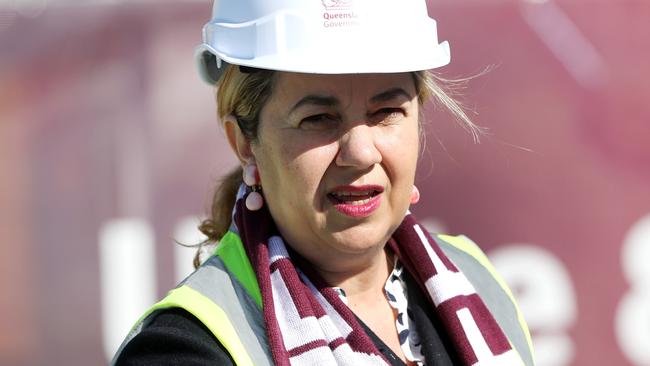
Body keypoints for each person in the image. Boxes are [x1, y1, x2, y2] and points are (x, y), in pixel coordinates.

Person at [113, 0, 535, 365]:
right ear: (244, 143)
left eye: (386, 110)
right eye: (318, 118)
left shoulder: (476, 276)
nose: (361, 152)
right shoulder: (179, 350)